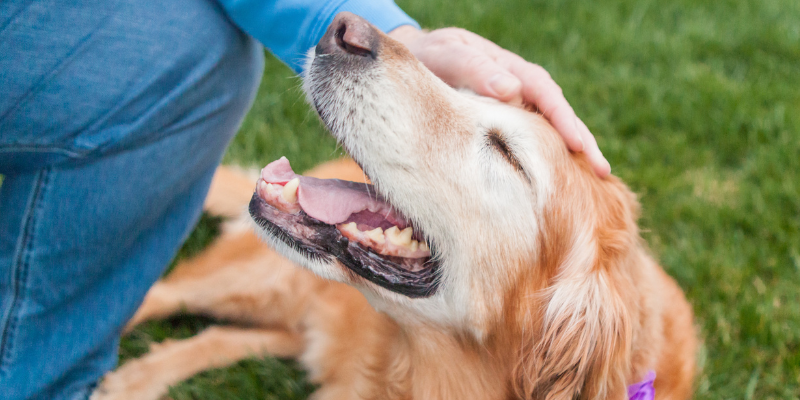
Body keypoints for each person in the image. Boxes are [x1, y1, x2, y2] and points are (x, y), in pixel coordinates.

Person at [0, 0, 609, 398]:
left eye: (503, 156)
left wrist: (402, 35)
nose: (350, 37)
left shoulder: (575, 337)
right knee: (201, 49)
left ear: (558, 326)